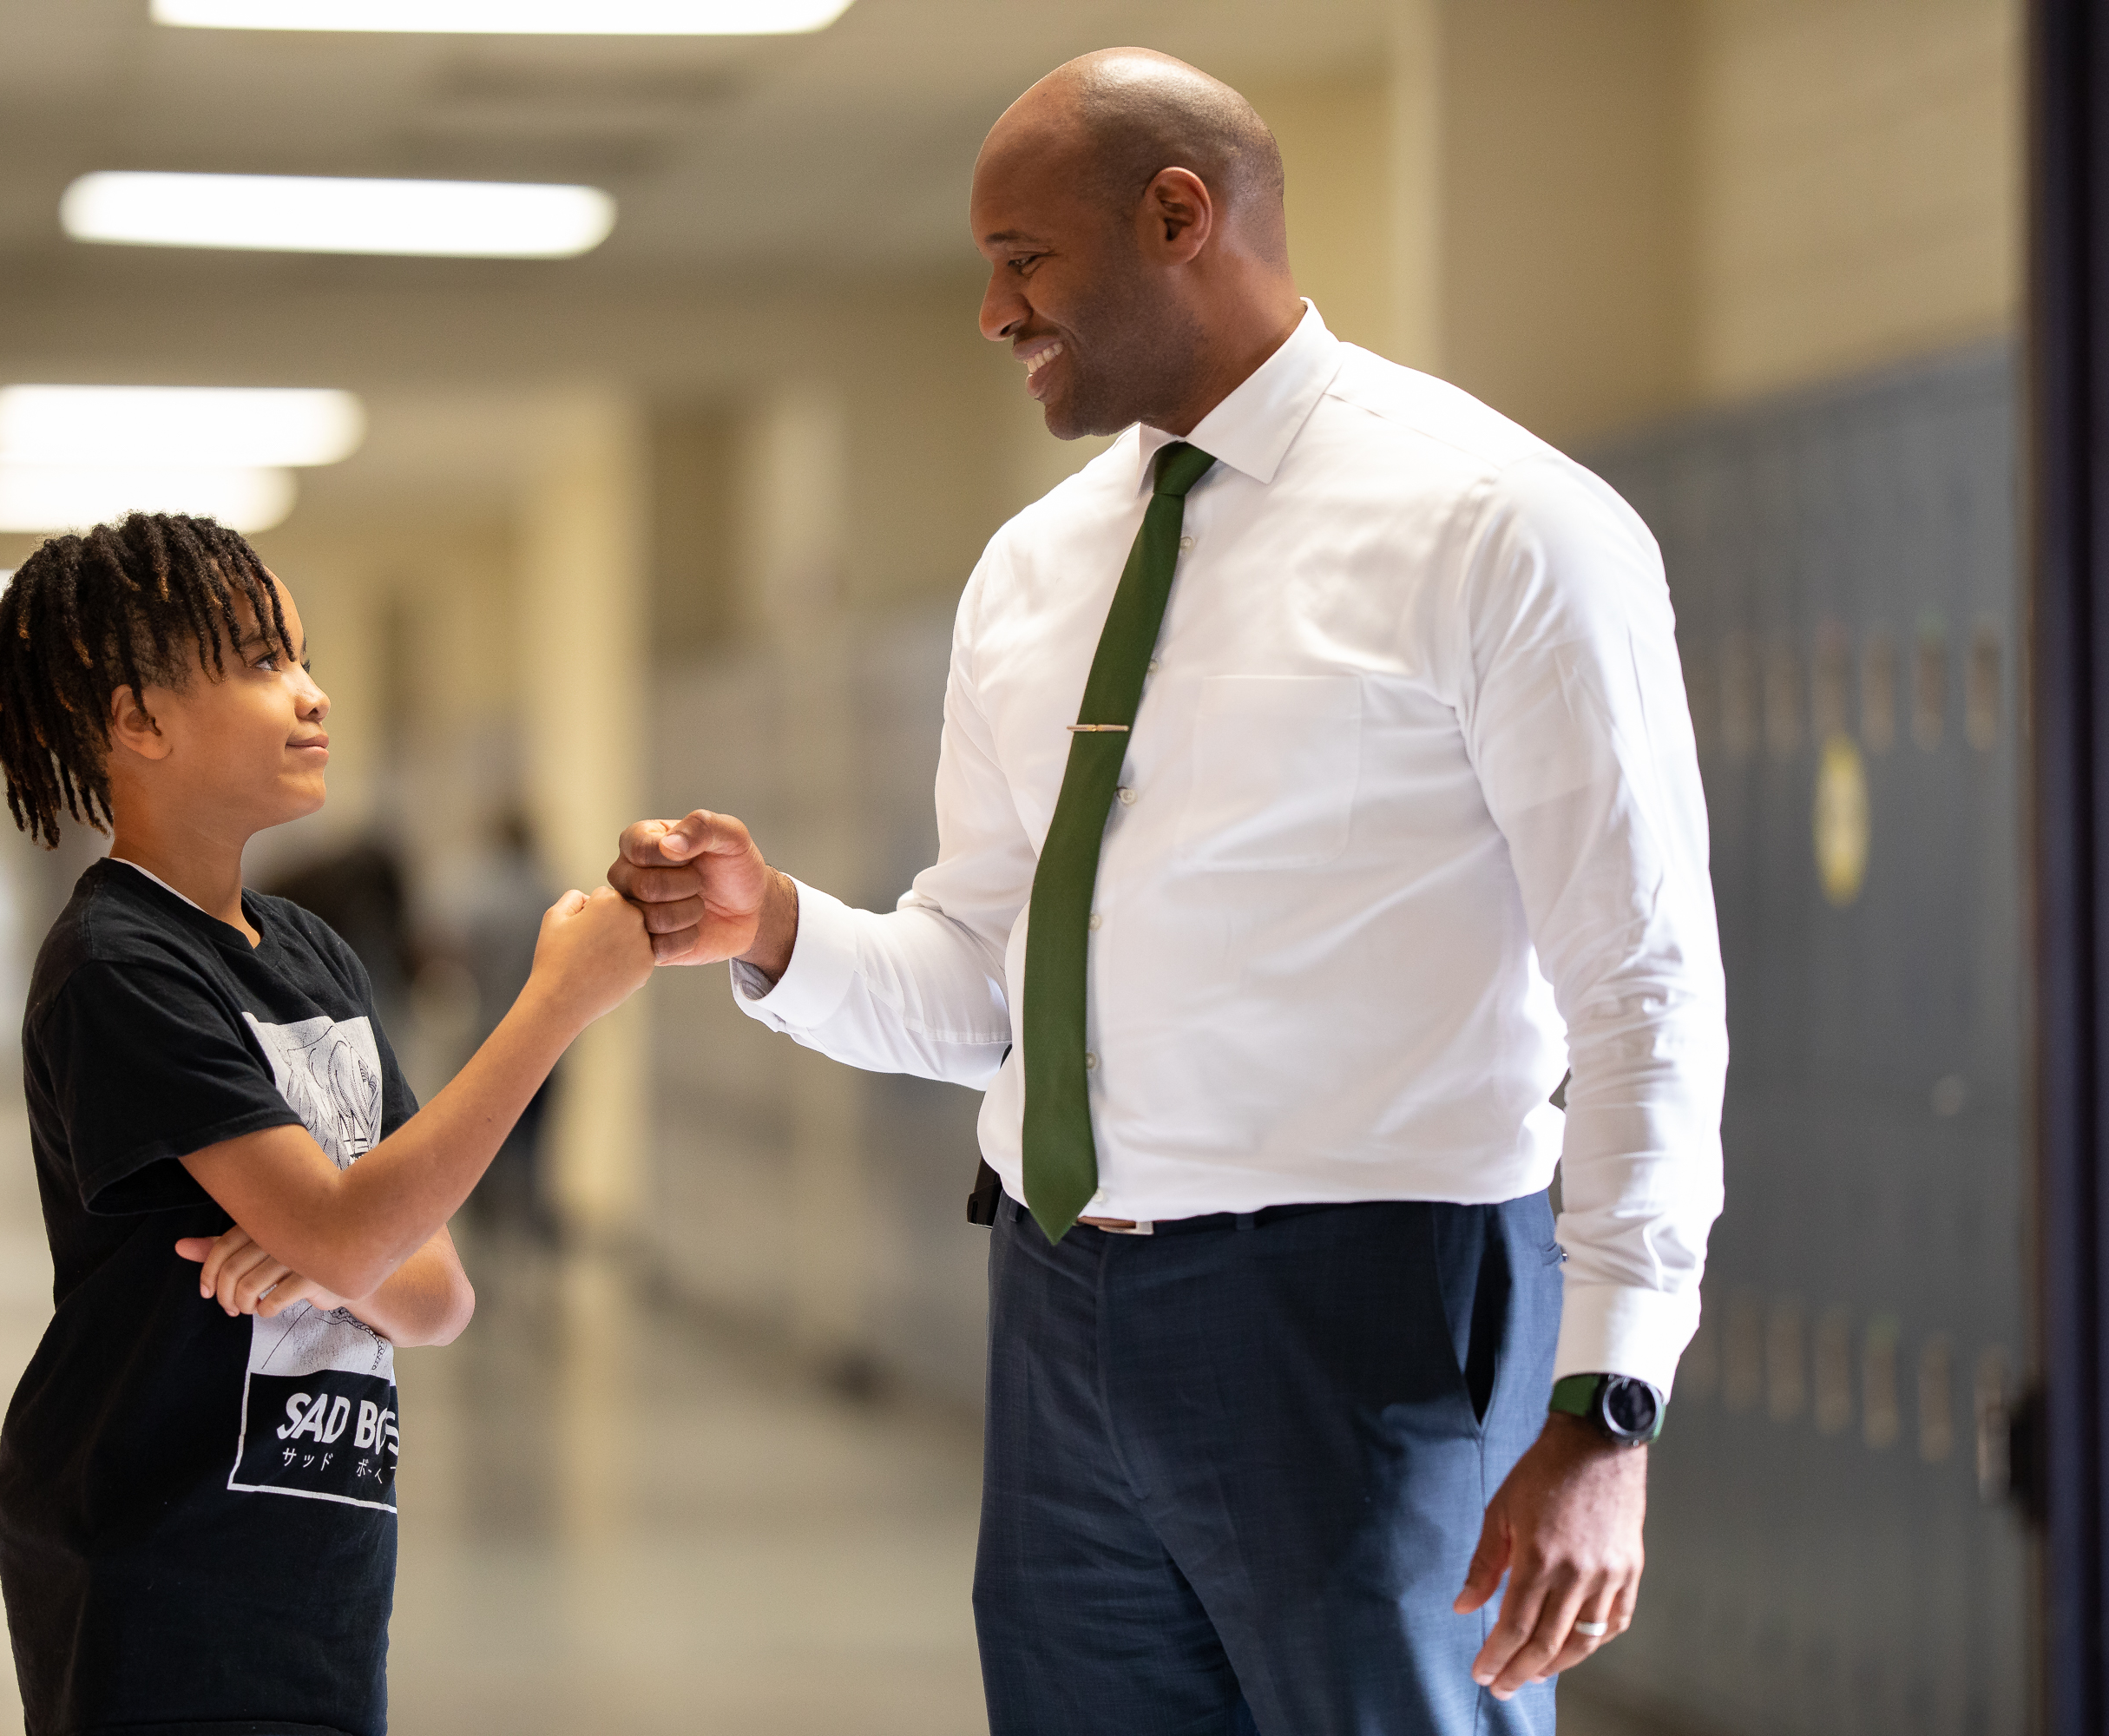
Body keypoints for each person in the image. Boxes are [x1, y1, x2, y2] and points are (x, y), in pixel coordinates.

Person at [609, 49, 1725, 1736]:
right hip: (1064, 1309)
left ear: (1180, 215)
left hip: (1376, 1313)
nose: (993, 311)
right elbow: (991, 984)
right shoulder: (1036, 571)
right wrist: (772, 928)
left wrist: (1611, 1400)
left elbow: (1641, 987)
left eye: (1022, 258)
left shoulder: (1501, 528)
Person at [0, 512, 653, 1736]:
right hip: (158, 1563)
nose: (313, 694)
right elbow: (367, 1245)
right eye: (260, 661)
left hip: (320, 1563)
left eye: (300, 655)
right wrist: (556, 1004)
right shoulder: (119, 963)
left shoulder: (308, 953)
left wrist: (331, 1248)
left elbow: (439, 1296)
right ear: (140, 723)